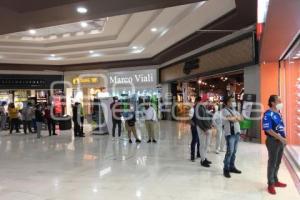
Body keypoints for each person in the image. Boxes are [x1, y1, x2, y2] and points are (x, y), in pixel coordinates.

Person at [263, 95, 287, 195]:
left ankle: (275, 180)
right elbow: (268, 129)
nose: (281, 102)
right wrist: (280, 138)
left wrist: (283, 138)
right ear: (272, 102)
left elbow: (280, 126)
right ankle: (270, 184)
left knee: (278, 162)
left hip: (280, 141)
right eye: (279, 101)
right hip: (273, 141)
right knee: (272, 162)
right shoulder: (267, 114)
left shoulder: (278, 113)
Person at [222, 95, 243, 178]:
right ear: (227, 102)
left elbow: (242, 119)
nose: (234, 102)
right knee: (229, 152)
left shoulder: (235, 110)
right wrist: (236, 118)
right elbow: (232, 119)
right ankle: (226, 169)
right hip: (230, 134)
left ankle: (232, 167)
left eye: (234, 101)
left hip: (237, 133)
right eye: (232, 101)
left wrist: (236, 118)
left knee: (234, 152)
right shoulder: (224, 111)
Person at [194, 97, 213, 167]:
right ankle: (202, 160)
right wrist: (204, 128)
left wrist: (210, 125)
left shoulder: (203, 107)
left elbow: (206, 116)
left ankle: (204, 158)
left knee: (206, 144)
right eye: (207, 100)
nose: (208, 102)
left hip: (206, 128)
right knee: (202, 145)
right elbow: (198, 120)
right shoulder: (198, 107)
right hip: (202, 128)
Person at [189, 97, 201, 162]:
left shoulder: (199, 109)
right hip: (195, 128)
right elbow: (190, 119)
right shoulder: (192, 109)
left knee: (199, 141)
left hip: (200, 127)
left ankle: (198, 153)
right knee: (194, 141)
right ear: (196, 102)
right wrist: (194, 126)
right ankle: (192, 156)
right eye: (198, 102)